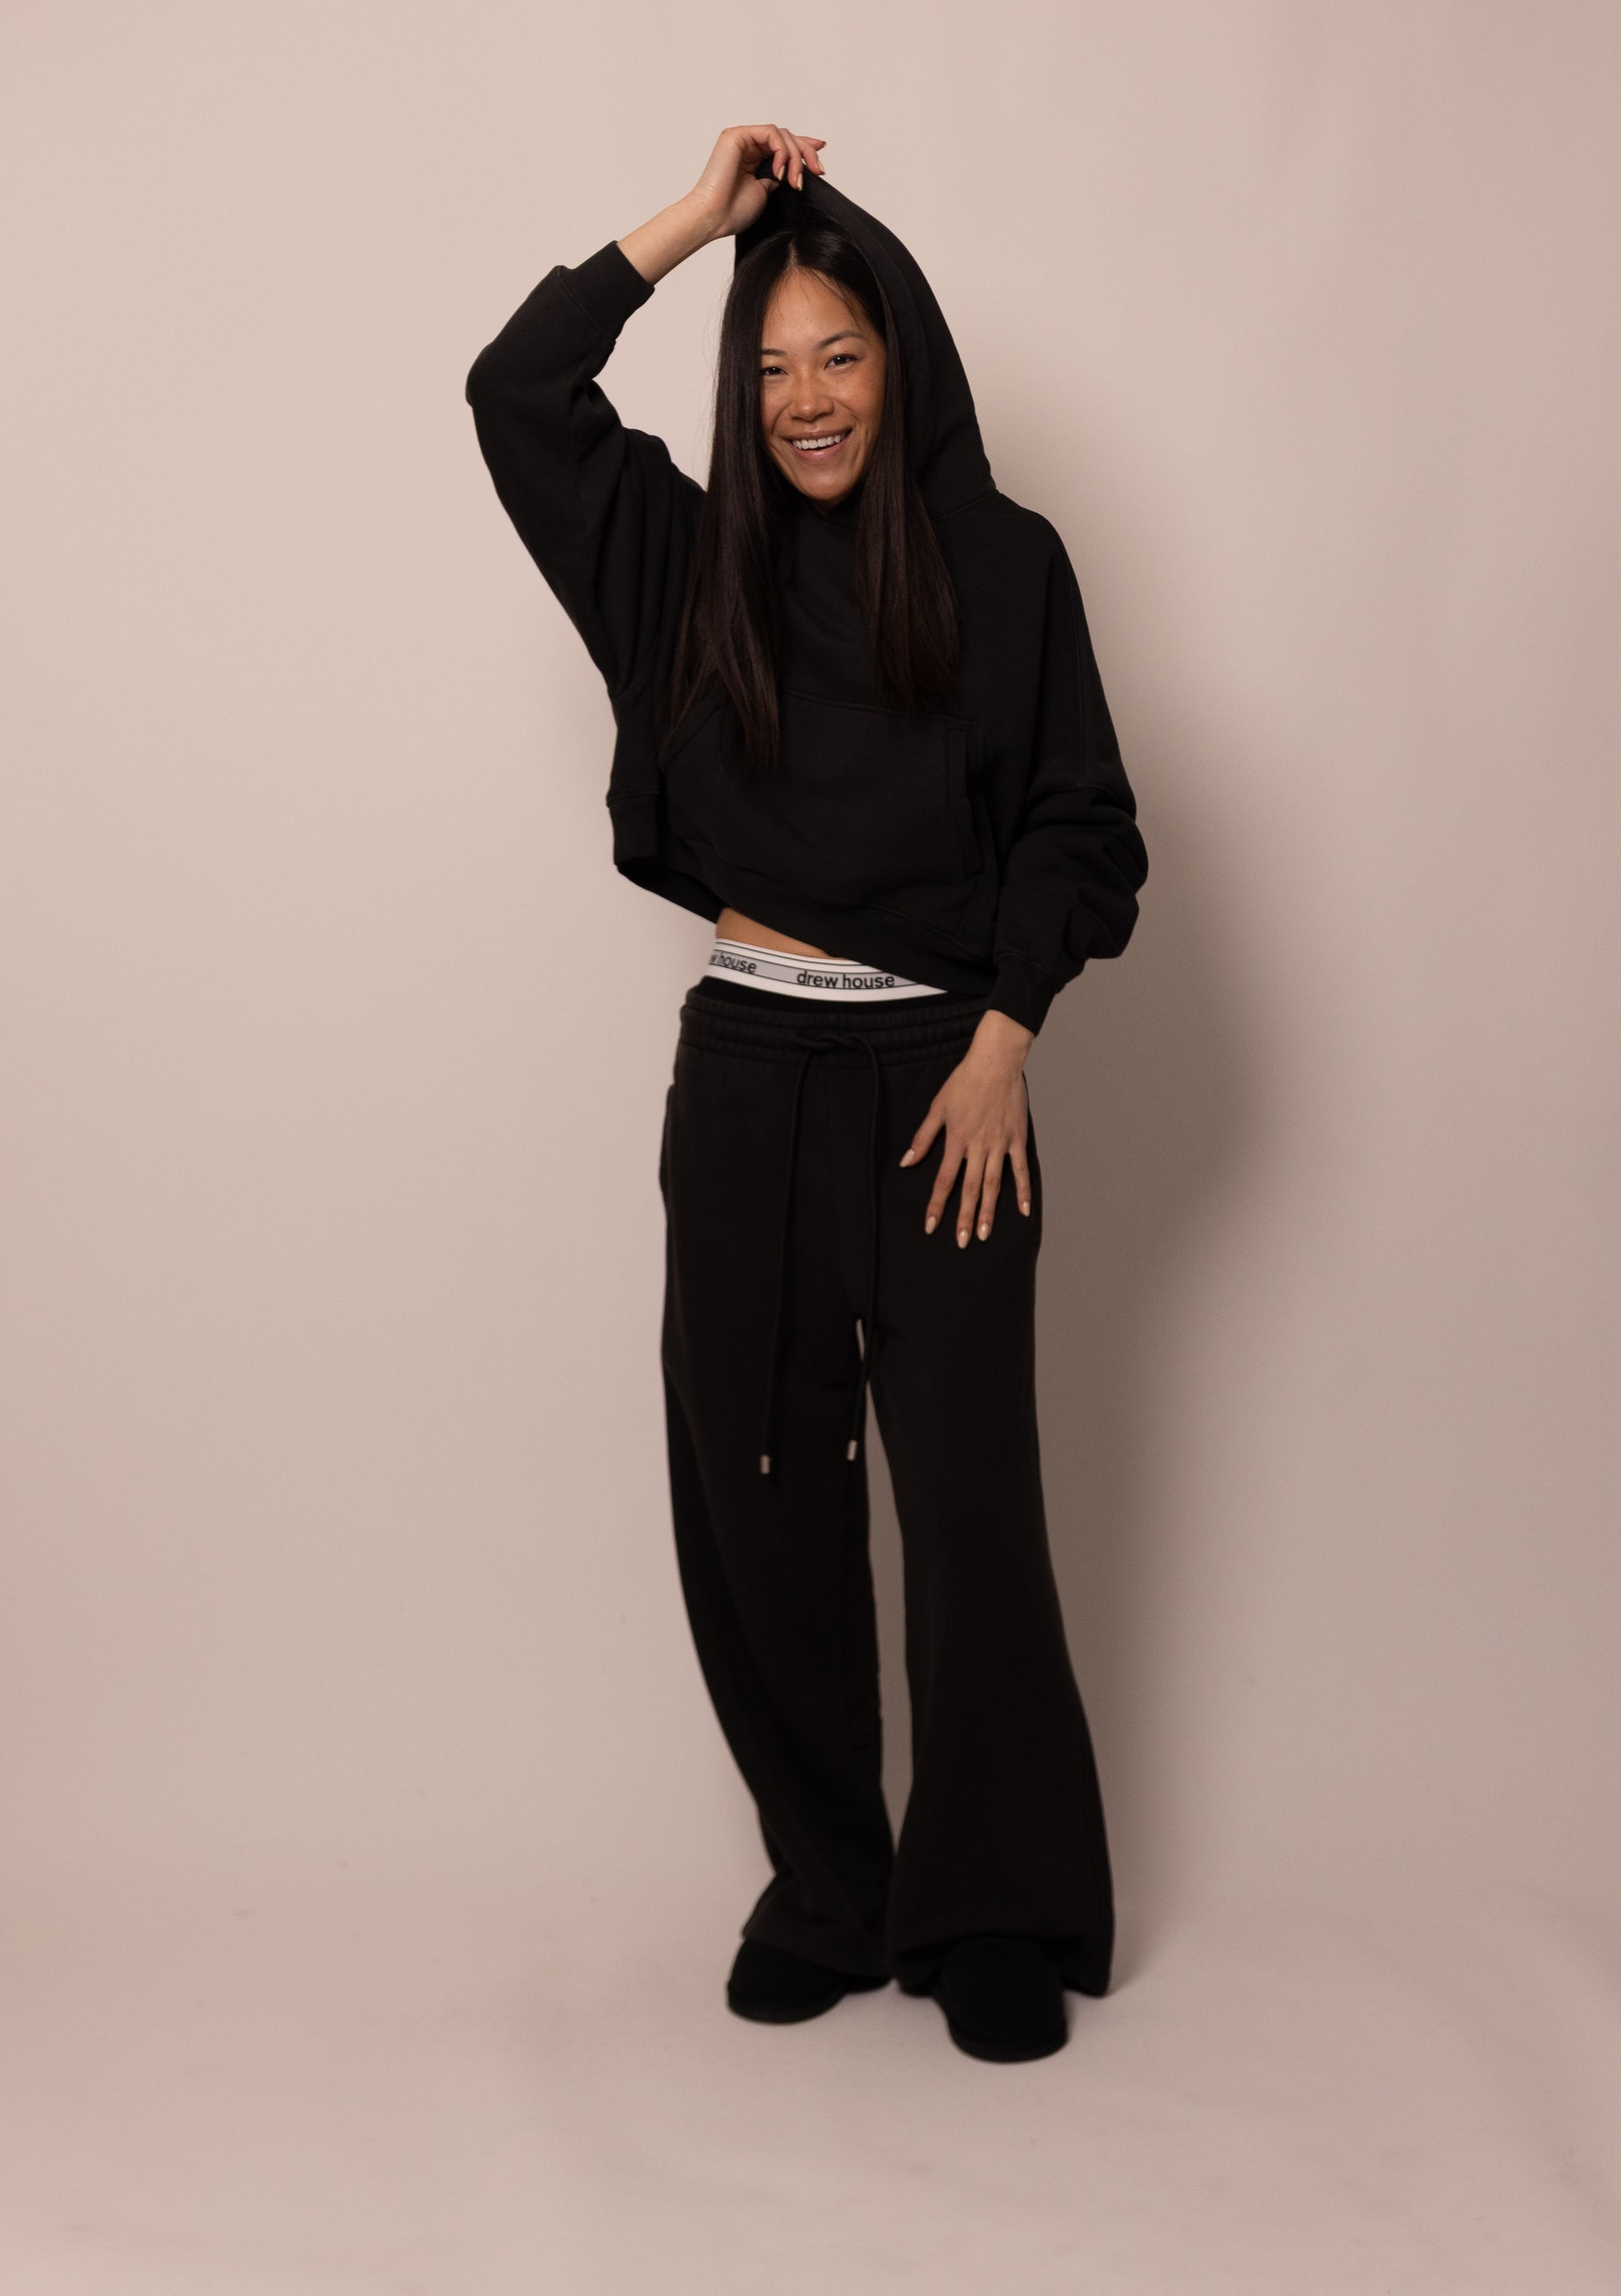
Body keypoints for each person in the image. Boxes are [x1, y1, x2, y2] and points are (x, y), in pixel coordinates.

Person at [465, 125, 1146, 2064]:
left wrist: (1008, 1034)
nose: (808, 400)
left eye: (840, 356)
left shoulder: (1005, 567)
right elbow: (515, 392)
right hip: (750, 1070)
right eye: (770, 367)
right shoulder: (684, 564)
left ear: (899, 363)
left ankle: (991, 1904)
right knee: (758, 1497)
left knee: (973, 1506)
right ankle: (833, 1890)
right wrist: (702, 223)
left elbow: (1082, 824)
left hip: (950, 1084)